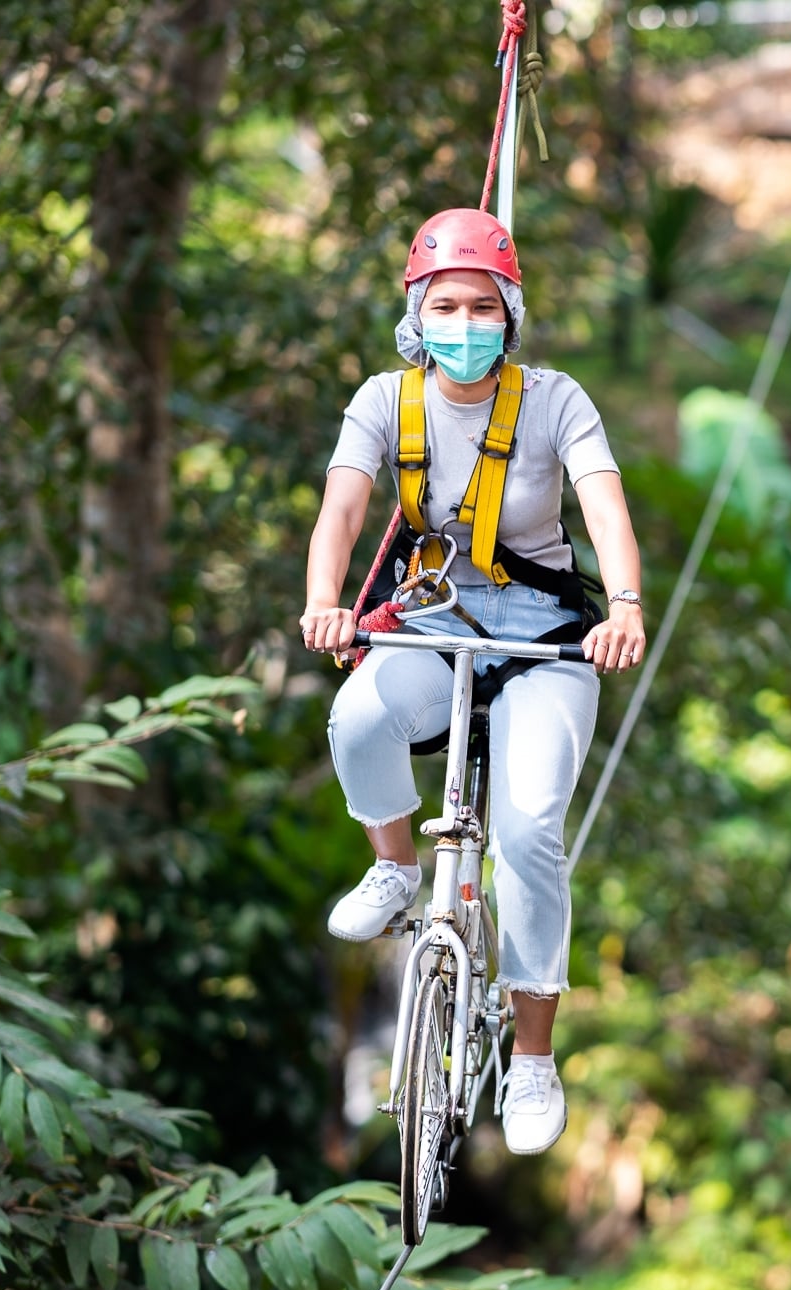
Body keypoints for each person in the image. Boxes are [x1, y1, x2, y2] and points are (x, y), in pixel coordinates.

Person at [298, 208, 647, 1157]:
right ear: (417, 314)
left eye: (480, 305)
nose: (463, 322)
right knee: (358, 715)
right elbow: (342, 505)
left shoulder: (557, 400)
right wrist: (325, 599)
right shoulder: (384, 400)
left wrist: (623, 606)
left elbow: (603, 504)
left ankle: (533, 1060)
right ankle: (396, 866)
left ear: (511, 314)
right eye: (445, 305)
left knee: (530, 829)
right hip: (435, 620)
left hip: (546, 642)